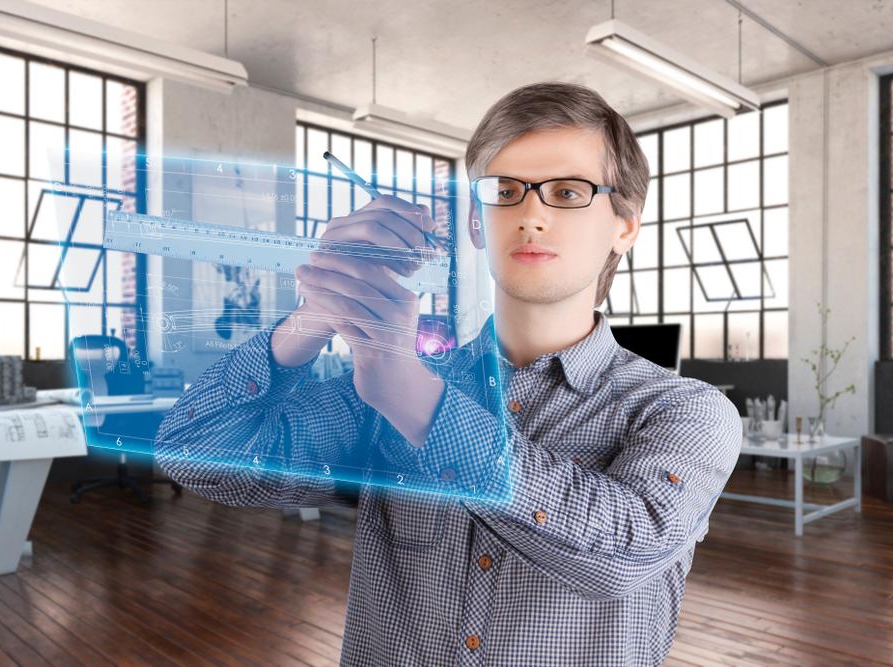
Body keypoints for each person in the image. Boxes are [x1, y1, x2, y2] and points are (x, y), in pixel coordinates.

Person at [154, 81, 743, 666]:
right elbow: (193, 452)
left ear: (626, 225)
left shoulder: (686, 410)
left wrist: (416, 400)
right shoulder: (376, 395)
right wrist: (316, 316)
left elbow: (623, 555)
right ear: (476, 222)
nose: (531, 214)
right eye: (506, 191)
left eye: (567, 191)